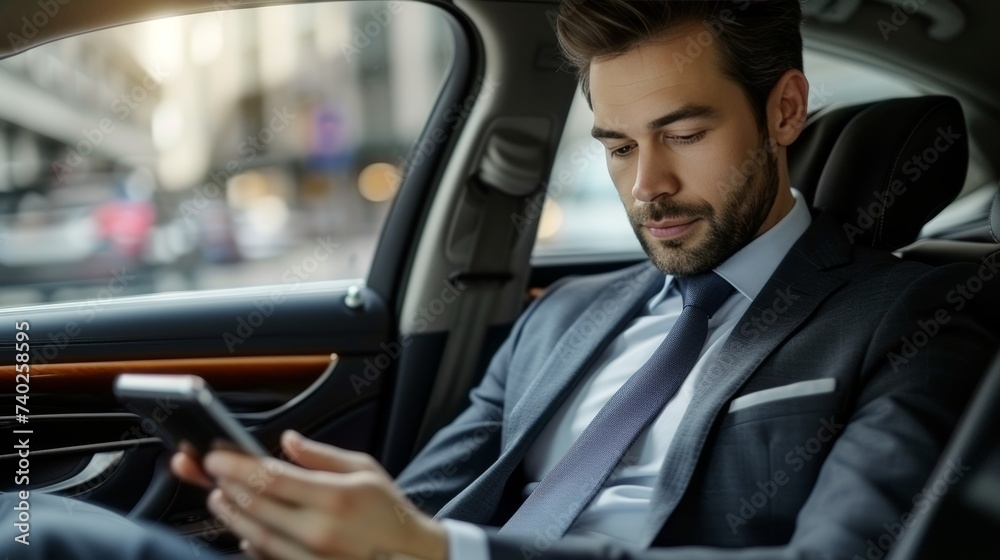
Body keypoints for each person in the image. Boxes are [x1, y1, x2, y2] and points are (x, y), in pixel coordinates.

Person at [3, 1, 997, 559]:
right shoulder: (561, 316)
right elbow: (425, 503)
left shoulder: (909, 318)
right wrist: (317, 521)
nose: (646, 186)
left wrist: (446, 556)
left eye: (683, 135)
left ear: (785, 110)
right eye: (613, 145)